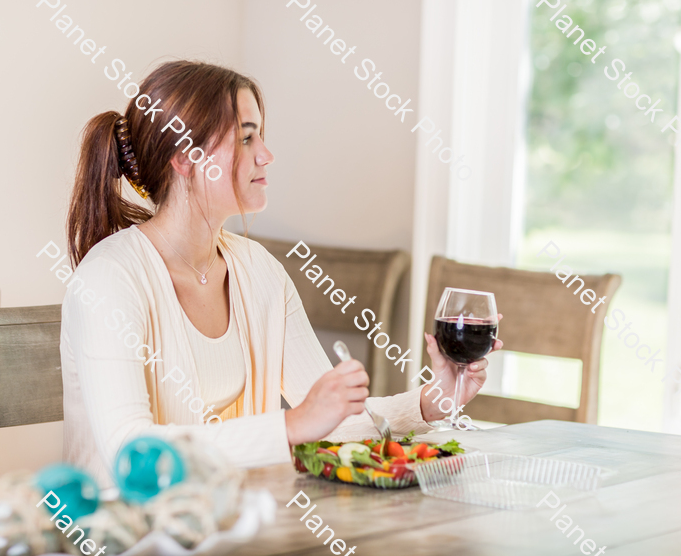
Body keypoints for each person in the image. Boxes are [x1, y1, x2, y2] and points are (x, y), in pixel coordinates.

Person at [61, 60, 501, 487]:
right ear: (185, 157)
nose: (266, 156)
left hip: (229, 526)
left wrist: (433, 400)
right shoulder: (110, 279)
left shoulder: (259, 271)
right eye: (246, 139)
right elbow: (130, 452)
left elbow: (328, 421)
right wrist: (291, 425)